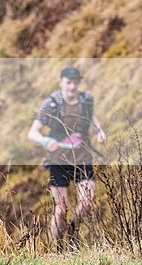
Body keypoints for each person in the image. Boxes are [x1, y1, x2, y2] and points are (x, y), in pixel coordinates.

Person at [27, 67, 107, 250]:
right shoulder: (51, 104)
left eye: (75, 82)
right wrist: (46, 141)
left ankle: (72, 230)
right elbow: (32, 132)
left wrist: (99, 131)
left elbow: (92, 117)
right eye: (68, 82)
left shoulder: (86, 100)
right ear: (60, 82)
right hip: (58, 161)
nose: (72, 86)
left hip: (82, 158)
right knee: (61, 209)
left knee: (87, 200)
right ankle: (57, 249)